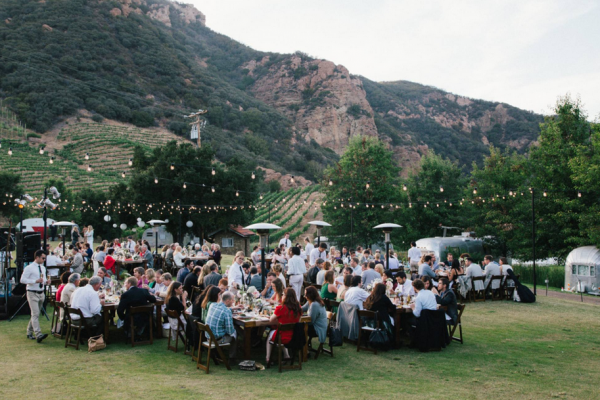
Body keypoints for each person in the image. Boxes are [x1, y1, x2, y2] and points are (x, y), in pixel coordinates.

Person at [266, 287, 302, 365]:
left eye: (283, 295)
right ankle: (286, 355)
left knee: (270, 335)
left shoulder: (280, 308)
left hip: (282, 337)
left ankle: (268, 358)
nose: (282, 296)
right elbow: (298, 322)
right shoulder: (298, 308)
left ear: (285, 296)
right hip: (295, 336)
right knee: (281, 332)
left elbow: (271, 320)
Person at [21, 250, 49, 342]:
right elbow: (22, 280)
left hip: (41, 292)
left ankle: (29, 332)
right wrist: (35, 281)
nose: (44, 260)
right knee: (35, 314)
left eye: (45, 258)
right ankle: (38, 334)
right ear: (37, 257)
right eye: (43, 258)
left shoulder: (43, 268)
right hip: (32, 292)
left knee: (35, 314)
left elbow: (43, 279)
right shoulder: (29, 268)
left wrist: (46, 282)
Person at [205, 291, 238, 363]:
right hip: (217, 340)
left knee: (232, 329)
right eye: (232, 300)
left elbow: (224, 308)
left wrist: (233, 308)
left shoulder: (212, 305)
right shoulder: (226, 312)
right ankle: (232, 358)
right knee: (235, 334)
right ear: (228, 300)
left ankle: (219, 354)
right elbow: (230, 331)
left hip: (208, 337)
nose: (233, 302)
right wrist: (234, 330)